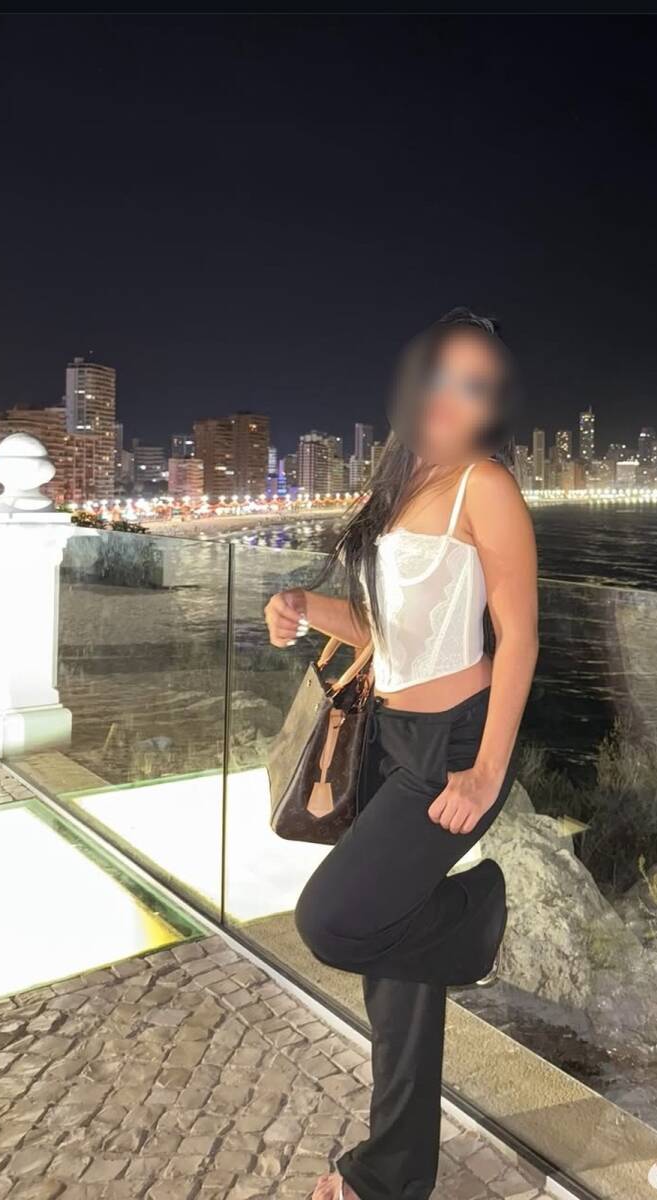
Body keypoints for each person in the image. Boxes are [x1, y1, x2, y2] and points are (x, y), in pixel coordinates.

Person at [264, 308, 538, 1200]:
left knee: (333, 922)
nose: (454, 398)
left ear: (491, 405)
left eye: (476, 386)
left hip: (452, 745)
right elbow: (385, 628)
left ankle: (478, 908)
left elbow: (519, 637)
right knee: (396, 975)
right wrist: (303, 604)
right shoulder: (399, 483)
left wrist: (486, 771)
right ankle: (392, 1176)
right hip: (387, 733)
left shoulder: (482, 485)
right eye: (443, 376)